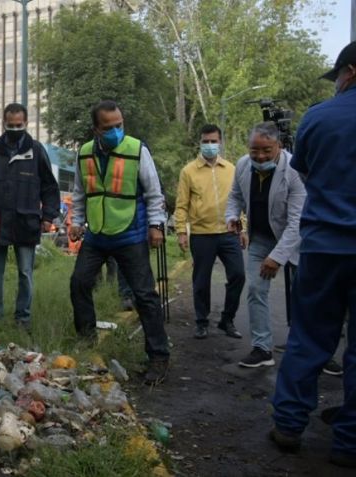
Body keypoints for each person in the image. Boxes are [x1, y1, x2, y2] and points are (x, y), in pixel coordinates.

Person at [269, 41, 356, 467]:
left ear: (351, 72)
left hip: (323, 245)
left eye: (338, 75)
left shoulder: (319, 116)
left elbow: (303, 169)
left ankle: (288, 425)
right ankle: (350, 443)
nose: (336, 83)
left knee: (308, 337)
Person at [68, 100, 170, 385]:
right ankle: (87, 342)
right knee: (79, 283)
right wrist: (76, 222)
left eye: (119, 125)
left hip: (131, 234)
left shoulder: (138, 150)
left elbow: (153, 192)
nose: (115, 131)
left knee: (144, 296)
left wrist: (156, 226)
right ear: (95, 129)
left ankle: (159, 357)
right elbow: (79, 192)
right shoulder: (85, 153)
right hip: (97, 234)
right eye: (108, 127)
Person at [224, 122, 305, 368]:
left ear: (279, 146)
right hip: (260, 238)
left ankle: (312, 351)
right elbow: (235, 195)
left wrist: (277, 257)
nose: (259, 156)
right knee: (256, 291)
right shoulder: (242, 165)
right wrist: (232, 216)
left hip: (295, 241)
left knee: (305, 295)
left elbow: (297, 222)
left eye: (266, 150)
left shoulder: (294, 170)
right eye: (254, 150)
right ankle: (262, 348)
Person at [0, 103, 60, 331]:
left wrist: (48, 216)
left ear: (26, 123)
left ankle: (22, 318)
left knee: (25, 273)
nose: (14, 128)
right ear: (3, 123)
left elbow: (50, 187)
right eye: (10, 125)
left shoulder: (35, 149)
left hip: (26, 221)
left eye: (19, 125)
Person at [174, 124, 245, 340]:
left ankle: (227, 319)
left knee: (238, 275)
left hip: (229, 232)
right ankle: (201, 322)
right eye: (206, 141)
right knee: (201, 281)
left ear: (220, 142)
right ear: (200, 142)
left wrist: (244, 227)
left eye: (214, 141)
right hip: (202, 234)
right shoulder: (188, 171)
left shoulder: (232, 169)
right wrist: (181, 231)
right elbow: (181, 204)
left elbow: (240, 200)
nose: (210, 145)